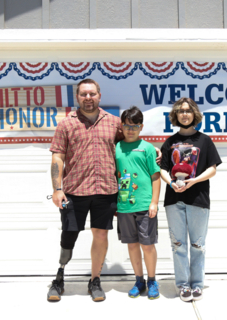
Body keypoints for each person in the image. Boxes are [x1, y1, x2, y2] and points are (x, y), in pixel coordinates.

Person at [47, 79, 160, 302]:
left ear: (99, 95)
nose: (88, 98)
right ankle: (59, 277)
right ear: (77, 97)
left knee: (100, 235)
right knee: (69, 235)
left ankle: (95, 280)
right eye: (83, 94)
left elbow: (131, 139)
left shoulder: (114, 122)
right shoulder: (66, 124)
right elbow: (57, 157)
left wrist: (152, 148)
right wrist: (57, 189)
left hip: (105, 191)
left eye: (92, 94)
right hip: (74, 191)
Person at [159, 97, 222, 302]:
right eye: (180, 111)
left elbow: (212, 168)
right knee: (178, 245)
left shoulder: (204, 140)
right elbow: (163, 169)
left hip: (198, 198)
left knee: (197, 244)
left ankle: (197, 284)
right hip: (173, 200)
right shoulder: (170, 141)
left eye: (188, 111)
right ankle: (183, 285)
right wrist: (171, 183)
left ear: (194, 114)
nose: (184, 114)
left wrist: (194, 181)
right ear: (175, 115)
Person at [115, 106, 161, 299]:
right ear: (121, 126)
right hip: (124, 205)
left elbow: (156, 176)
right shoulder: (115, 147)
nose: (130, 129)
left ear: (141, 127)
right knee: (132, 245)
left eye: (134, 126)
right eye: (126, 125)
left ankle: (152, 280)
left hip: (144, 206)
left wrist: (154, 202)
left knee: (147, 245)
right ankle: (139, 280)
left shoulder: (148, 148)